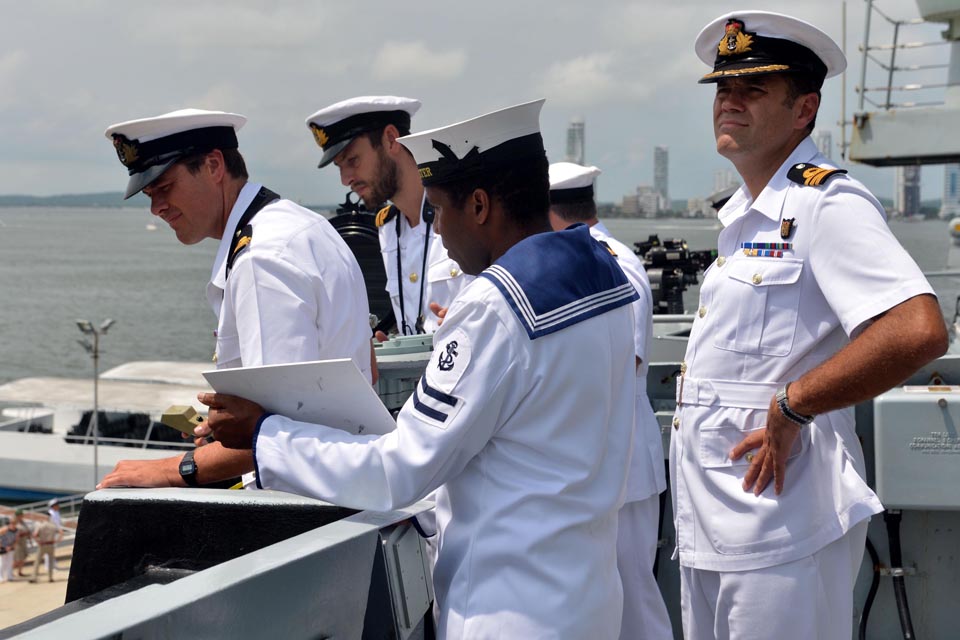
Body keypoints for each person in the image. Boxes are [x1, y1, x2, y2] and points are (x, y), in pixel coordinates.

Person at [198, 100, 638, 638]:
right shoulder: (605, 272)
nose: (442, 234)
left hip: (509, 609)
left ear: (479, 205)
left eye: (440, 209)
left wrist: (264, 436)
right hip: (589, 596)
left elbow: (398, 470)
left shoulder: (493, 307)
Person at [673, 11, 948, 639]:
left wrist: (794, 405)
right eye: (722, 89)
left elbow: (919, 329)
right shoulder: (746, 219)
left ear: (804, 110)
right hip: (715, 526)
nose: (729, 103)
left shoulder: (826, 204)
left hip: (782, 532)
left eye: (752, 90)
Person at [98, 108, 372, 490]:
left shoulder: (261, 260)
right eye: (149, 194)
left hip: (307, 503)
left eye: (164, 188)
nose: (156, 208)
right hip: (343, 482)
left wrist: (172, 469)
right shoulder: (298, 225)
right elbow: (363, 375)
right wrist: (225, 430)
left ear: (213, 166)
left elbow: (282, 430)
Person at [548, 161, 672, 640]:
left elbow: (625, 367)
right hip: (591, 467)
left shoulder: (612, 263)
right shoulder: (582, 259)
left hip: (621, 472)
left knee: (635, 604)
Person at [306, 96, 469, 338]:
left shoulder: (462, 213)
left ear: (391, 139)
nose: (345, 179)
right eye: (340, 167)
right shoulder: (388, 228)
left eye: (353, 160)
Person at [12, 509, 32, 578]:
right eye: (20, 515)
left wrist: (29, 537)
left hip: (24, 542)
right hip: (18, 544)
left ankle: (19, 572)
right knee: (17, 559)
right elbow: (14, 534)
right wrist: (24, 533)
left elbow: (27, 531)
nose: (22, 516)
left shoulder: (23, 522)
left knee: (23, 558)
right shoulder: (14, 523)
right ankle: (10, 572)